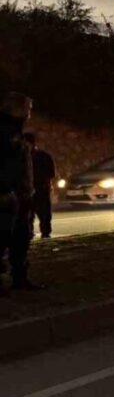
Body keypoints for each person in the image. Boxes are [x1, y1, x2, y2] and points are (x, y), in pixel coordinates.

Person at [0, 92, 38, 293]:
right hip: (8, 195)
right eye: (28, 109)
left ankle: (20, 278)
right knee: (4, 237)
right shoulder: (5, 132)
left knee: (21, 238)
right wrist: (5, 189)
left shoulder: (16, 131)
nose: (30, 114)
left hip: (21, 194)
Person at [24, 133, 55, 239]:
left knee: (44, 213)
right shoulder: (21, 156)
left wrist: (47, 183)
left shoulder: (42, 156)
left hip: (40, 188)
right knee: (28, 214)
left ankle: (45, 233)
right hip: (27, 189)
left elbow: (50, 172)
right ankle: (29, 233)